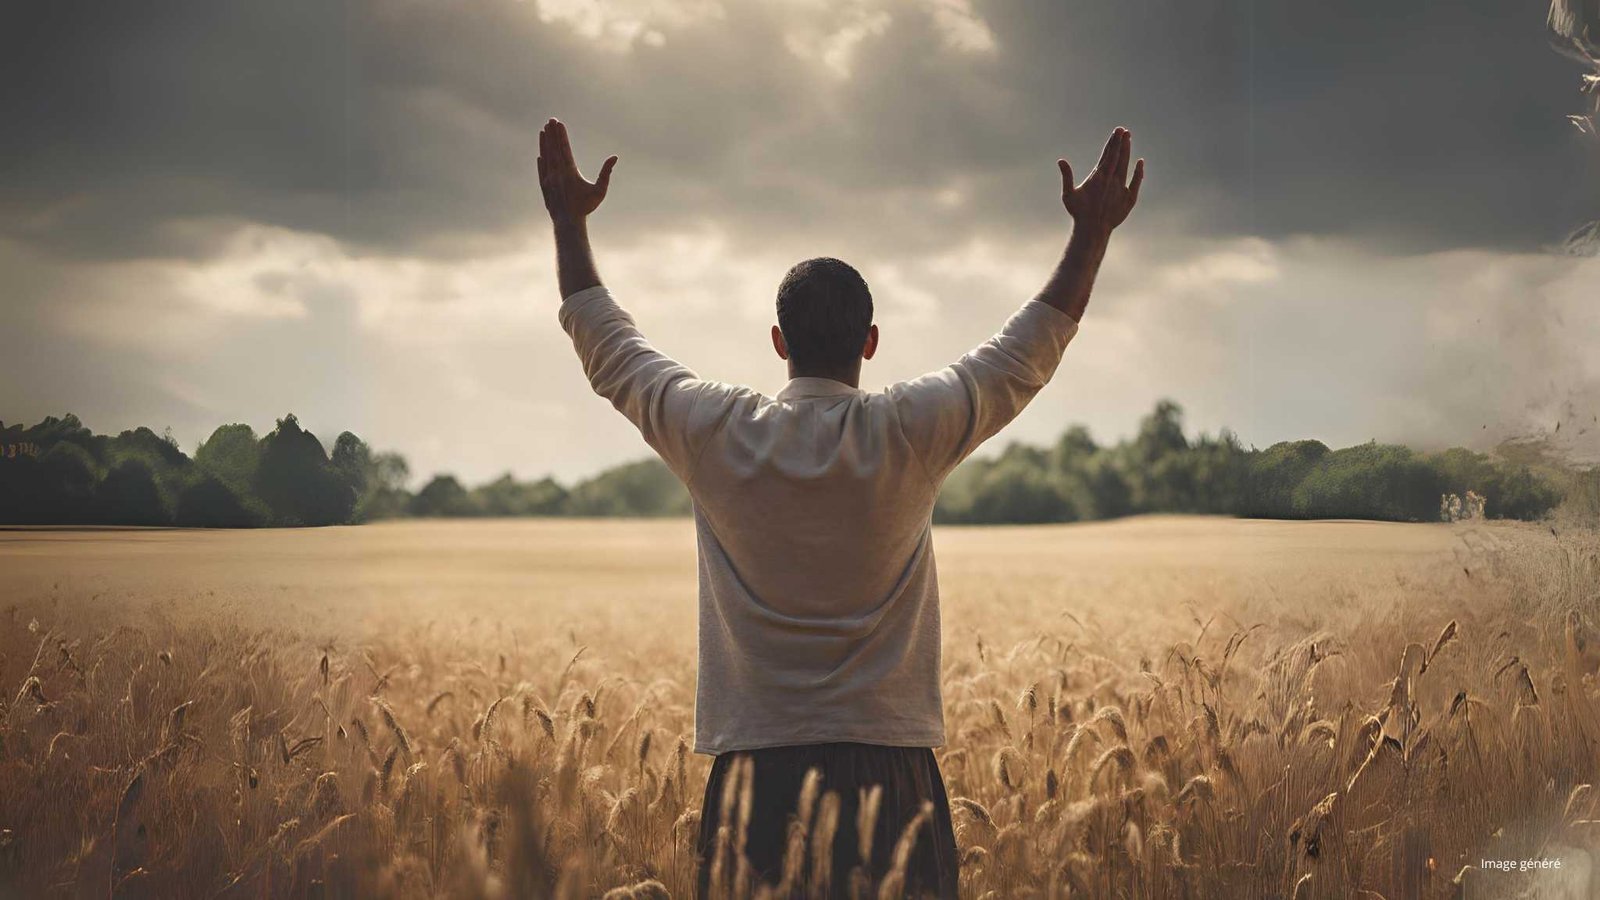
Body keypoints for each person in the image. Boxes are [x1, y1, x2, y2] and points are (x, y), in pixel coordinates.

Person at [538, 117, 1143, 898]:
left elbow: (608, 346)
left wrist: (569, 222)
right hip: (890, 777)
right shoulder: (909, 431)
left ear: (778, 342)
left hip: (753, 778)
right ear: (871, 342)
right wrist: (1091, 234)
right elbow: (1027, 350)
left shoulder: (716, 431)